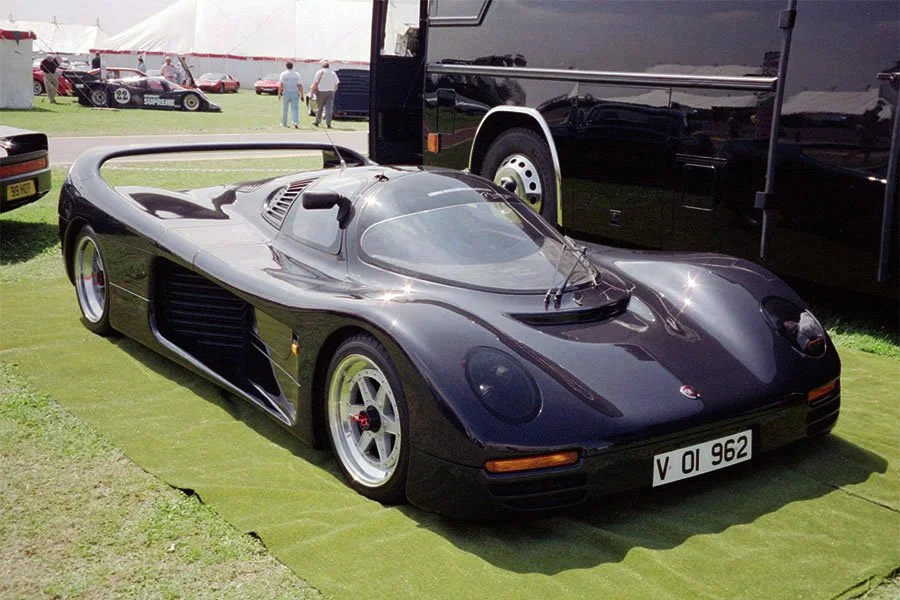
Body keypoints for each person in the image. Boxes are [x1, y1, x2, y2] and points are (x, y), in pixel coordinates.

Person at [311, 60, 339, 128]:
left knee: (319, 108)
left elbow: (315, 83)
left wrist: (312, 92)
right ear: (329, 67)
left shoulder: (319, 72)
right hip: (330, 92)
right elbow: (336, 83)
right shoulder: (333, 73)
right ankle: (328, 123)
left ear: (322, 66)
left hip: (321, 91)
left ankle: (317, 122)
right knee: (329, 109)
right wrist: (334, 90)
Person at [278, 61, 304, 129]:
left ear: (286, 66)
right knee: (295, 108)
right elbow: (300, 85)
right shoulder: (297, 74)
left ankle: (284, 123)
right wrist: (302, 95)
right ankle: (295, 122)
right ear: (292, 66)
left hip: (286, 92)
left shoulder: (283, 74)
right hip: (295, 92)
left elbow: (281, 85)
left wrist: (279, 93)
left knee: (285, 108)